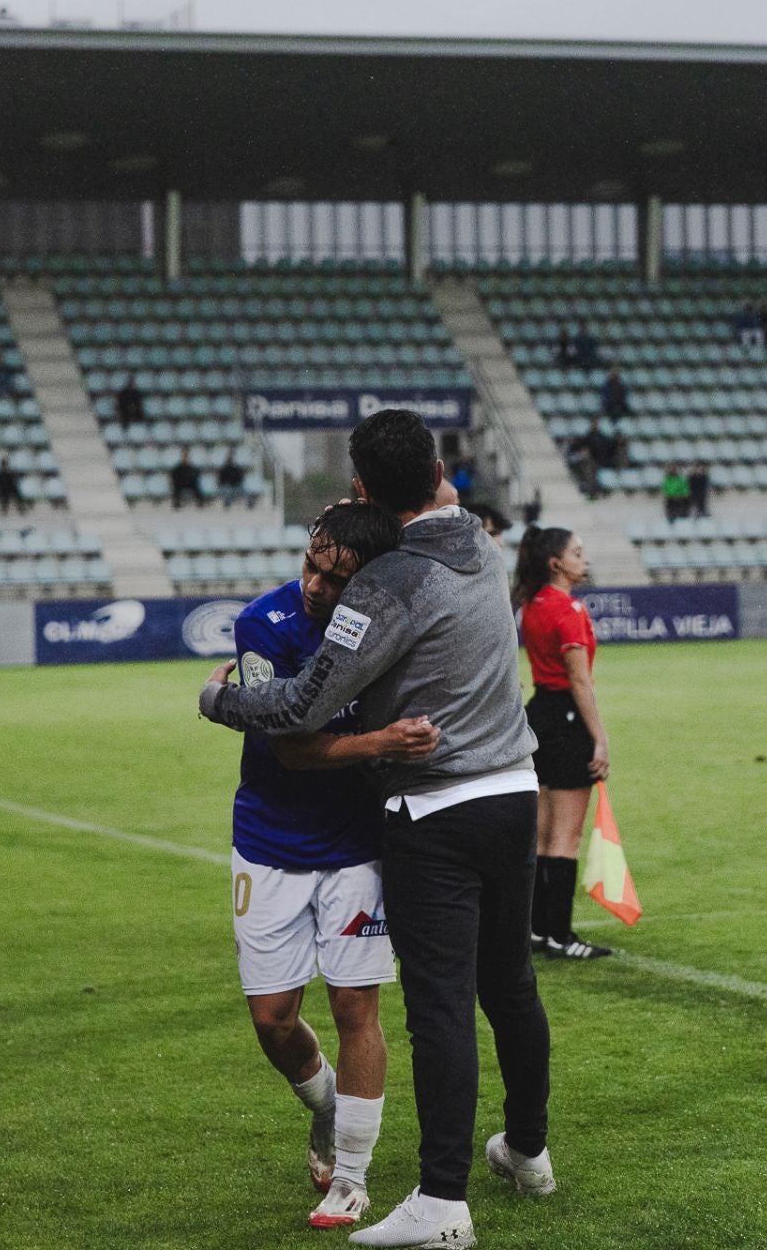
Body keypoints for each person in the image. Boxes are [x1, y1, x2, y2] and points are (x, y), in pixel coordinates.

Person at [199, 410, 554, 1249]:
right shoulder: (481, 539)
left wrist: (217, 700)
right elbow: (432, 494)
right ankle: (529, 1152)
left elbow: (298, 707)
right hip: (516, 791)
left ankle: (441, 1203)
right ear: (439, 473)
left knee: (438, 1008)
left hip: (435, 807)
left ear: (362, 490)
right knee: (510, 986)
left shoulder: (388, 583)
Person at [228, 502, 441, 1230]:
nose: (316, 584)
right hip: (270, 839)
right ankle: (323, 1110)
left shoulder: (387, 626)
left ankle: (351, 1178)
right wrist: (382, 740)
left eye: (335, 575)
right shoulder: (263, 623)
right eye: (311, 565)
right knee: (273, 1020)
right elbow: (287, 743)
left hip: (356, 844)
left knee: (357, 1007)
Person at [513, 528, 611, 961]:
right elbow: (579, 680)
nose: (582, 557)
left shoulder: (531, 606)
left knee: (540, 834)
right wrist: (599, 738)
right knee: (565, 838)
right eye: (576, 551)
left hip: (539, 717)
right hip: (568, 717)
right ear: (555, 563)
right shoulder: (568, 610)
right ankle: (560, 934)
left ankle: (535, 930)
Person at [0, 455, 29, 531]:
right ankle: (4, 511)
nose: (5, 466)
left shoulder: (11, 472)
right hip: (4, 490)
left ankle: (21, 509)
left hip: (12, 489)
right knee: (5, 498)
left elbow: (15, 480)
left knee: (18, 496)